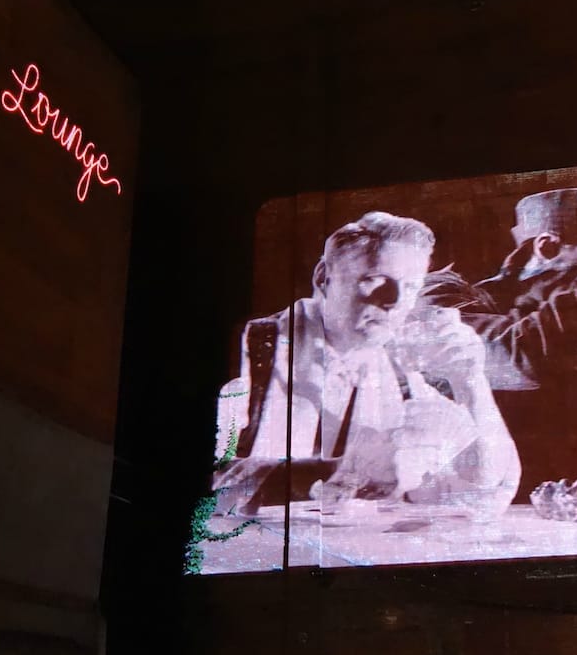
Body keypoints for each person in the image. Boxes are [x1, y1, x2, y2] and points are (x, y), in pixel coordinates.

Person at [212, 212, 521, 518]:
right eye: (374, 280)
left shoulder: (401, 371)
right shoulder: (252, 346)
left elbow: (482, 490)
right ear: (323, 277)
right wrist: (345, 473)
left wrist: (470, 379)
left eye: (411, 286)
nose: (394, 300)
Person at [420, 176, 577, 501]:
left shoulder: (525, 304)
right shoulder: (432, 314)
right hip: (492, 504)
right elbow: (521, 351)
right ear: (545, 246)